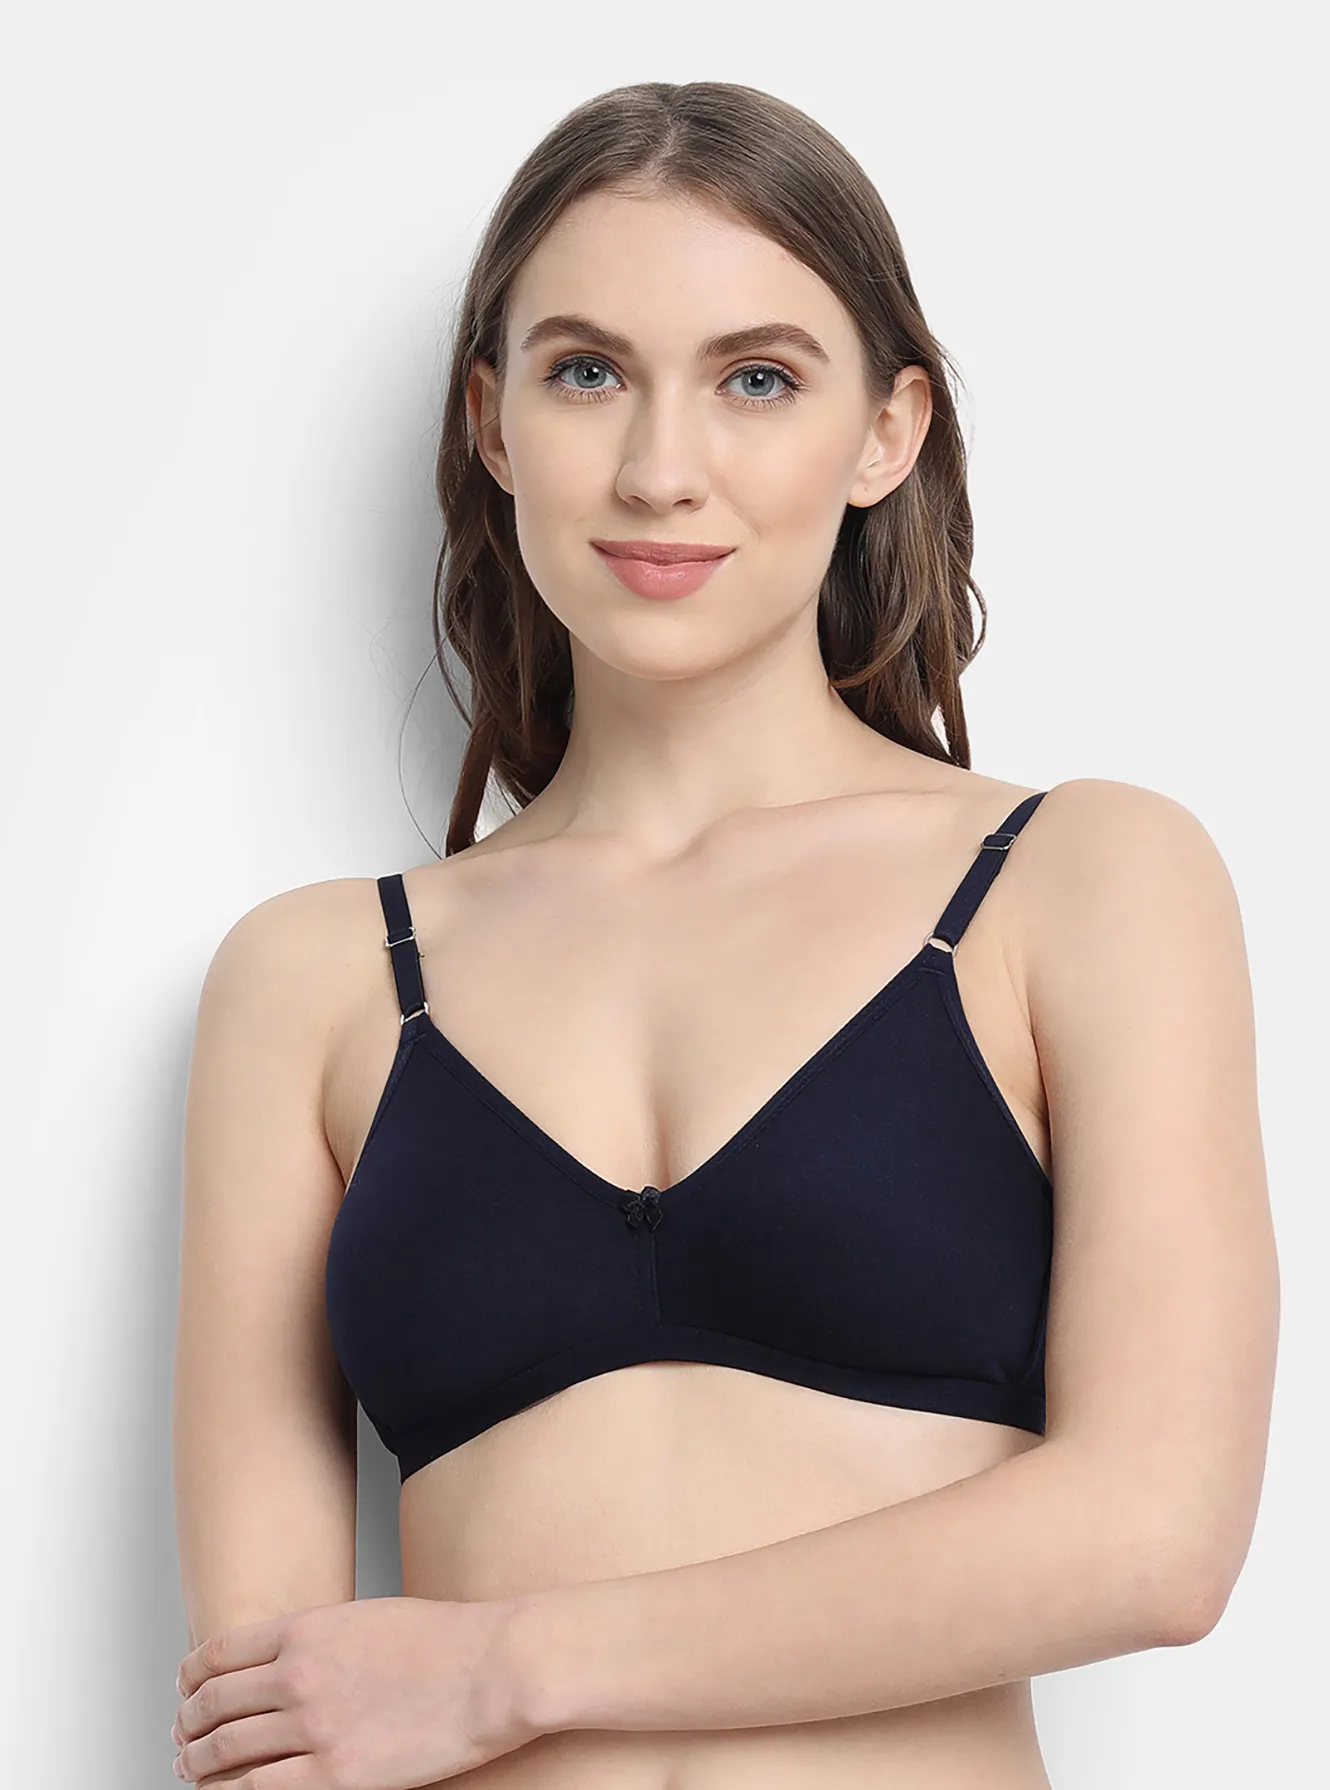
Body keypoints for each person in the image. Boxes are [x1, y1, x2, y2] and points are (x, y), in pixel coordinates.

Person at [170, 80, 1279, 1790]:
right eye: (585, 372)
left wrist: (505, 1666)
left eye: (755, 378)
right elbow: (270, 1708)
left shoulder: (1081, 881)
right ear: (491, 420)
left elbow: (1152, 1532)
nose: (658, 469)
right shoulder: (312, 980)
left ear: (885, 431)